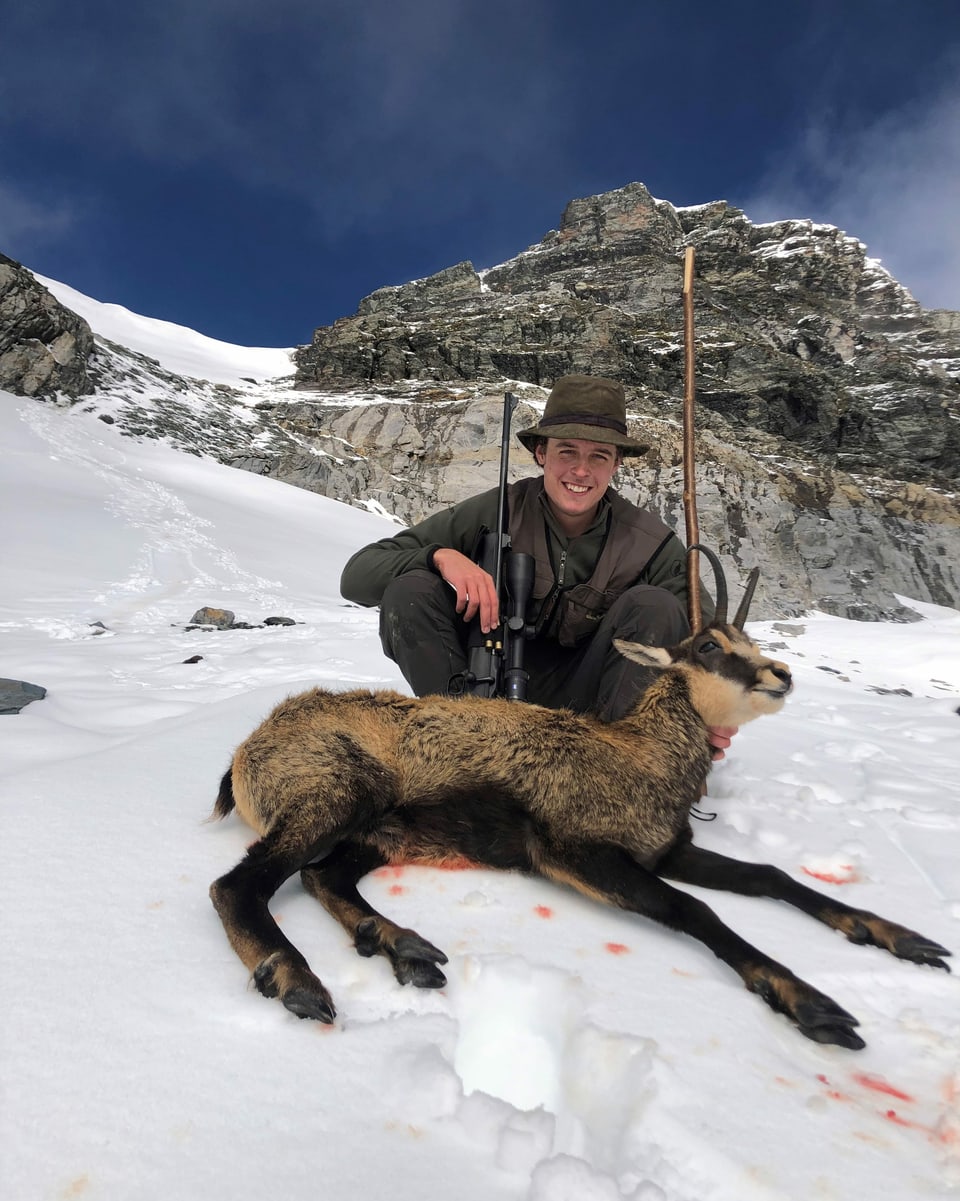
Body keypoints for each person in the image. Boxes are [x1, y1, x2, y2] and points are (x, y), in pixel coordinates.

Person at [340, 375, 736, 759]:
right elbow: (357, 576)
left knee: (656, 606)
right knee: (410, 590)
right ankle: (457, 751)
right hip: (480, 703)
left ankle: (622, 764)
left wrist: (713, 707)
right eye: (567, 451)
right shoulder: (494, 511)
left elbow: (711, 641)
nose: (581, 471)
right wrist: (441, 557)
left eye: (599, 456)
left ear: (617, 464)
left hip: (592, 710)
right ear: (541, 453)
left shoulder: (650, 542)